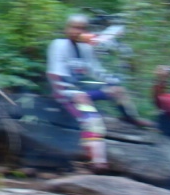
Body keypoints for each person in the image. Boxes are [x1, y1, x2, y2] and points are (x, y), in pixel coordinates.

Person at [47, 14, 152, 171]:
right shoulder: (58, 45)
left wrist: (114, 81)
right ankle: (97, 160)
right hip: (63, 94)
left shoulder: (85, 48)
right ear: (67, 29)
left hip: (80, 91)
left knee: (118, 91)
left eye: (82, 28)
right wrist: (73, 94)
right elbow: (55, 76)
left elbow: (95, 70)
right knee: (92, 118)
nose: (78, 31)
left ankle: (131, 118)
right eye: (75, 27)